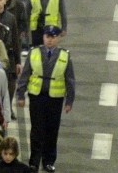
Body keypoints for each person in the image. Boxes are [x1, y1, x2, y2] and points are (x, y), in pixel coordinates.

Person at [15, 25, 75, 173]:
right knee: (37, 130)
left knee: (52, 130)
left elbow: (70, 79)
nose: (50, 40)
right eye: (47, 37)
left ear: (58, 38)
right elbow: (25, 75)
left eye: (53, 37)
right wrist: (21, 94)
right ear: (43, 37)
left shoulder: (65, 55)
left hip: (55, 98)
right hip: (37, 96)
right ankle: (34, 161)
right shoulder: (34, 52)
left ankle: (48, 161)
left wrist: (69, 101)